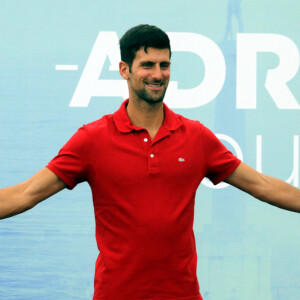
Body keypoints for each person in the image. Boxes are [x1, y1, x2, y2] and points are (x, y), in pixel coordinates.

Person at [0, 24, 299, 300]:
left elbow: (261, 185)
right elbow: (26, 193)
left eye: (164, 65)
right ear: (124, 70)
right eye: (147, 65)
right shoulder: (92, 139)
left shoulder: (195, 137)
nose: (158, 74)